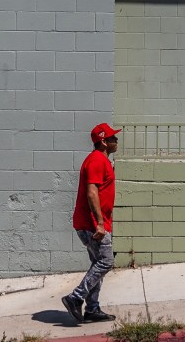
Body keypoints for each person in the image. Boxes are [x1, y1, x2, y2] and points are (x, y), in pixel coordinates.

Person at [61, 122, 120, 324]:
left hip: (92, 223)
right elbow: (92, 192)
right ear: (103, 141)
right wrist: (100, 224)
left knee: (98, 264)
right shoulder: (96, 161)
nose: (116, 140)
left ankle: (92, 309)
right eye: (113, 138)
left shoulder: (100, 160)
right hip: (93, 224)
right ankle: (75, 298)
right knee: (106, 262)